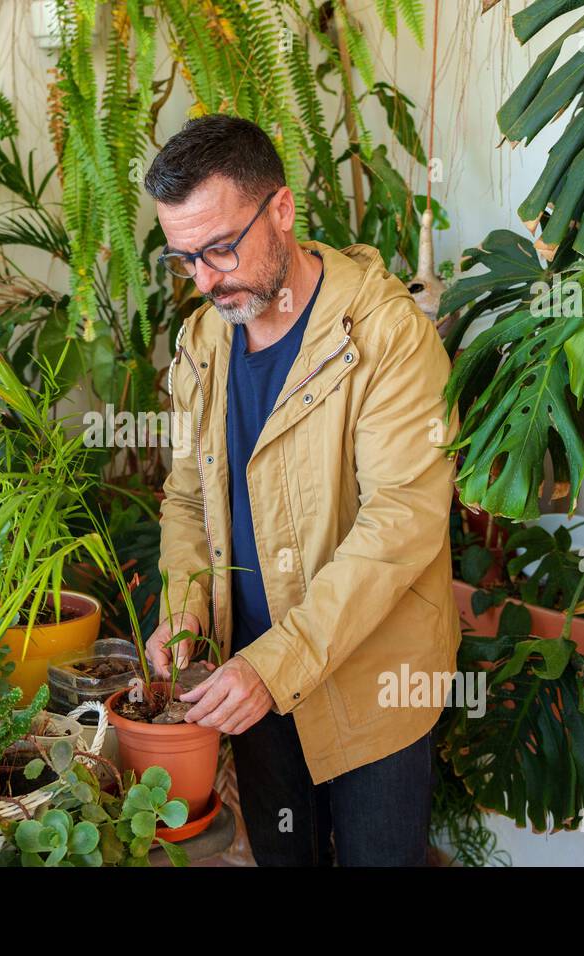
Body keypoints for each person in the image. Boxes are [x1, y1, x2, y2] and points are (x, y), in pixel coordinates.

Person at [143, 114, 459, 866]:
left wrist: (277, 664)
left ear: (280, 210)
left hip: (372, 683)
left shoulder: (386, 335)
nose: (206, 280)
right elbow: (187, 497)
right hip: (246, 674)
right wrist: (184, 609)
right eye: (184, 258)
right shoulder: (202, 342)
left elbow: (402, 522)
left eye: (221, 248)